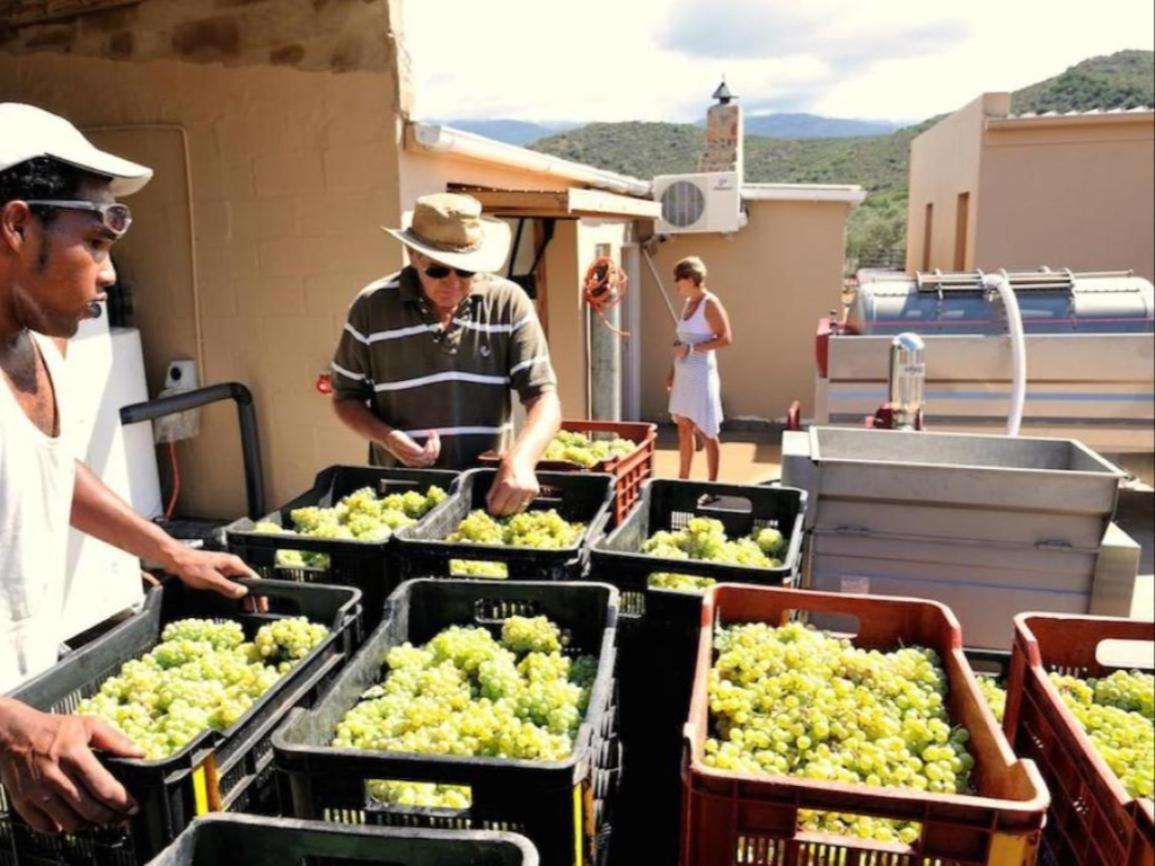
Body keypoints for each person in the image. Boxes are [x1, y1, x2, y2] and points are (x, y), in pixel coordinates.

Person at [0, 103, 259, 835]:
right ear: (16, 226)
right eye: (95, 242)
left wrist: (171, 552)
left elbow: (46, 473)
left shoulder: (38, 342)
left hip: (33, 712)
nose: (109, 276)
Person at [330, 192, 561, 516]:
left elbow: (544, 396)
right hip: (401, 499)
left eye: (465, 271)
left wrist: (521, 459)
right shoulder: (371, 308)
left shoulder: (509, 302)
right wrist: (387, 437)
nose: (453, 283)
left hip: (488, 494)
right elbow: (345, 397)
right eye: (438, 271)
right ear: (413, 254)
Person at [666, 256, 732, 481]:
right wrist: (672, 373)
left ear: (691, 279)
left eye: (679, 279)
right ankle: (683, 480)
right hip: (683, 375)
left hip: (702, 376)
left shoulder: (710, 303)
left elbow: (725, 339)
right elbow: (682, 343)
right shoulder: (687, 303)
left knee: (706, 431)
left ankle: (713, 485)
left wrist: (692, 349)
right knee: (684, 428)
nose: (676, 283)